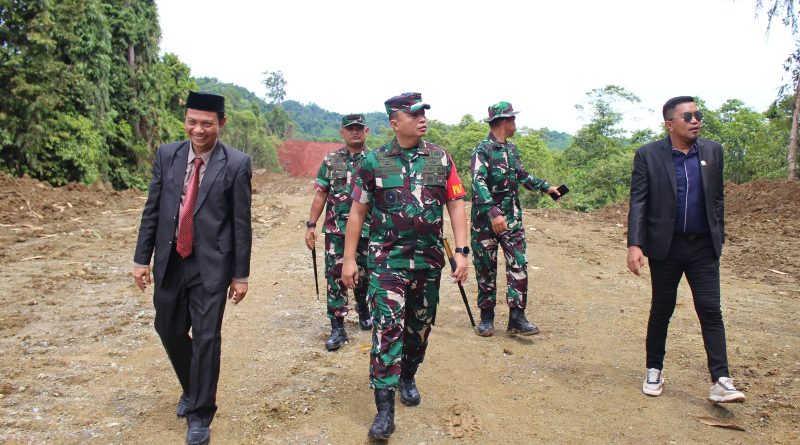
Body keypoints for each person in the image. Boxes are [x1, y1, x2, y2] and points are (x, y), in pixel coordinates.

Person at [341, 92, 469, 440]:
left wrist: (461, 250)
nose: (422, 118)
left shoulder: (441, 158)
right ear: (395, 123)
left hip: (428, 262)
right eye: (413, 114)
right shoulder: (374, 161)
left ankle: (408, 374)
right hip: (386, 262)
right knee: (386, 328)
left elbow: (456, 204)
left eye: (423, 112)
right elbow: (357, 212)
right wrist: (350, 258)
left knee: (420, 326)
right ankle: (384, 411)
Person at [132, 91, 252, 445]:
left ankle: (200, 414)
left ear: (221, 123)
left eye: (207, 123)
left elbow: (241, 224)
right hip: (170, 261)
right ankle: (193, 385)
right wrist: (142, 259)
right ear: (185, 120)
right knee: (167, 329)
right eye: (192, 122)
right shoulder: (167, 155)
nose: (198, 130)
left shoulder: (235, 163)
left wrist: (240, 274)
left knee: (207, 338)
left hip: (211, 266)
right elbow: (152, 209)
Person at [627, 95, 745, 403]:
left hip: (704, 247)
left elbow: (717, 198)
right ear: (669, 124)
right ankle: (654, 368)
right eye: (688, 116)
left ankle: (721, 379)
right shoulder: (648, 155)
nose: (696, 121)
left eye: (697, 115)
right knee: (662, 310)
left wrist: (718, 234)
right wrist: (634, 244)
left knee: (710, 310)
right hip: (666, 248)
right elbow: (639, 202)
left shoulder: (713, 152)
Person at [470, 101, 560, 337]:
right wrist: (493, 212)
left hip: (512, 220)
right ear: (504, 121)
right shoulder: (483, 150)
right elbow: (477, 182)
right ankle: (486, 318)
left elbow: (521, 175)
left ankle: (517, 318)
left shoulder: (511, 150)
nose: (515, 124)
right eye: (513, 119)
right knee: (486, 269)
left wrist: (546, 188)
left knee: (518, 264)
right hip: (485, 223)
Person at [304, 113, 372, 351]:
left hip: (368, 231)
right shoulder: (331, 160)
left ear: (367, 132)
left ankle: (363, 306)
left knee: (364, 274)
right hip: (336, 230)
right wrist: (311, 225)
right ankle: (337, 327)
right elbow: (321, 193)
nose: (355, 131)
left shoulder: (375, 160)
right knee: (335, 277)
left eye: (359, 128)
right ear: (342, 132)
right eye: (350, 128)